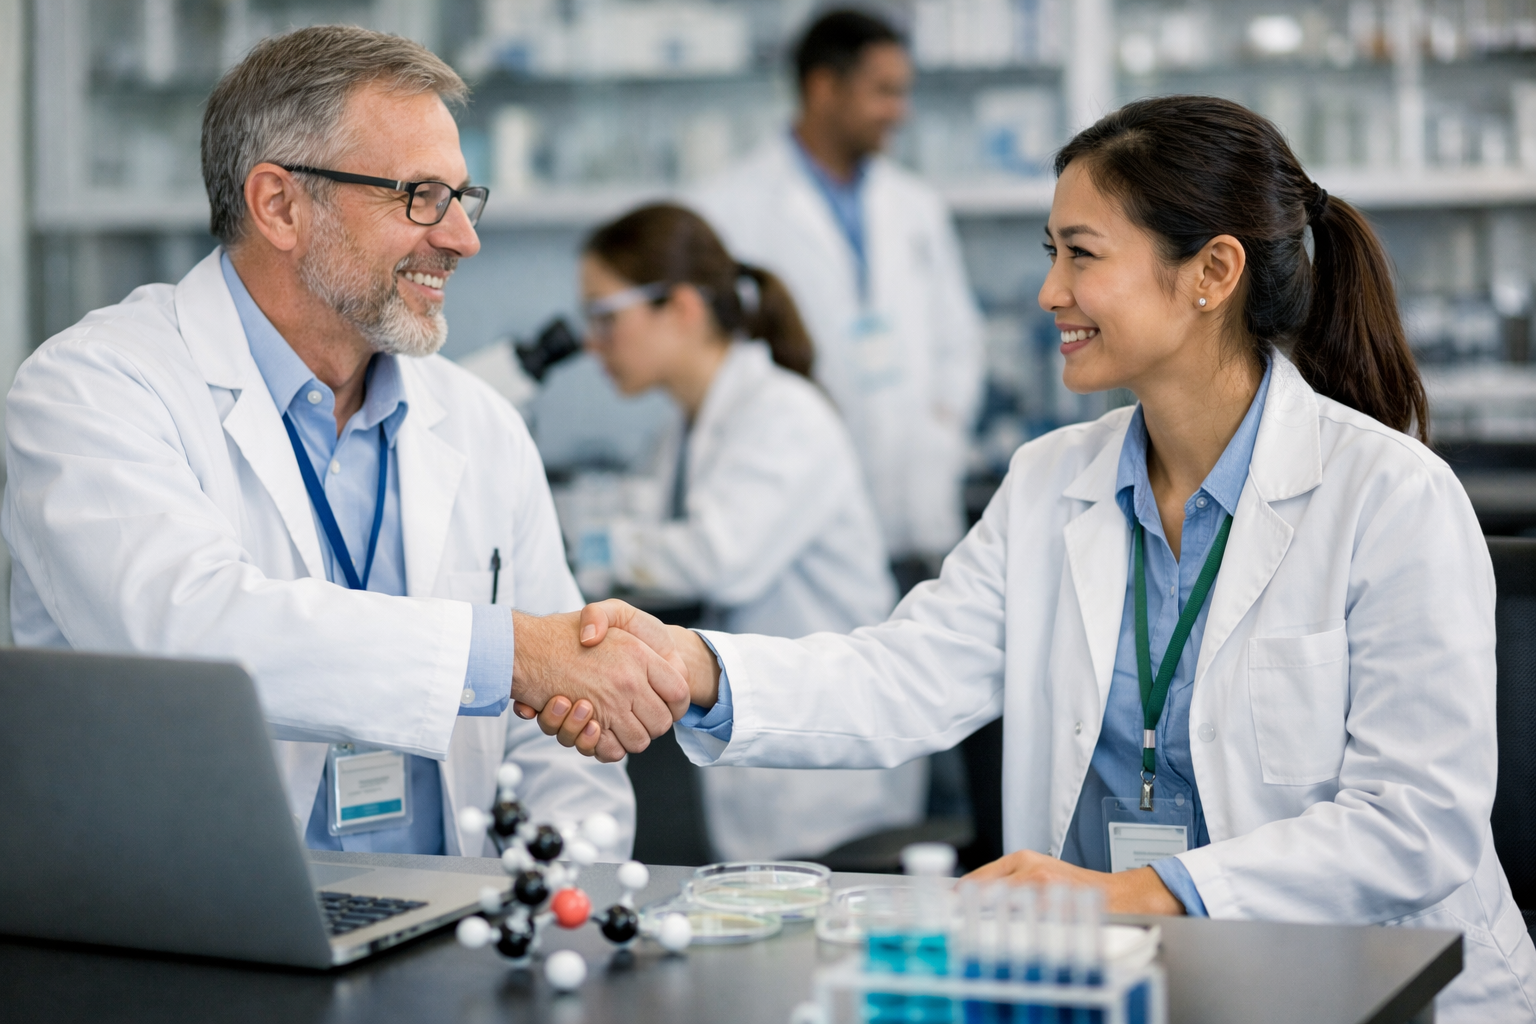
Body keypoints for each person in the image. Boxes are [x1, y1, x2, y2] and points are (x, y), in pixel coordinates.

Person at [532, 95, 1536, 1018]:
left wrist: (1144, 891)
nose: (1050, 290)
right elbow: (902, 676)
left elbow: (1416, 823)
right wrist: (697, 666)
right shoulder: (1054, 482)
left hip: (1366, 991)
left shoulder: (1389, 497)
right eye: (1052, 252)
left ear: (1212, 274)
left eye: (1082, 254)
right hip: (1123, 981)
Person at [1, 26, 689, 860]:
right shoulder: (93, 389)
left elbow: (560, 745)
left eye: (462, 199)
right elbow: (194, 638)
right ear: (280, 205)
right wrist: (508, 652)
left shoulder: (479, 424)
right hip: (198, 944)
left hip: (459, 943)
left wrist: (540, 909)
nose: (462, 239)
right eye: (419, 197)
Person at [575, 203, 923, 860]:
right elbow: (646, 546)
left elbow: (718, 558)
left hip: (826, 773)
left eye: (605, 316)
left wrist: (598, 541)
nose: (592, 342)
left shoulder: (783, 415)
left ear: (680, 307)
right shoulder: (681, 432)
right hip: (756, 761)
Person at [693, 8, 984, 590]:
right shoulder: (730, 208)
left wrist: (941, 430)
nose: (899, 111)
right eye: (883, 92)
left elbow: (959, 339)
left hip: (918, 502)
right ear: (823, 88)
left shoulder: (915, 205)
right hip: (795, 522)